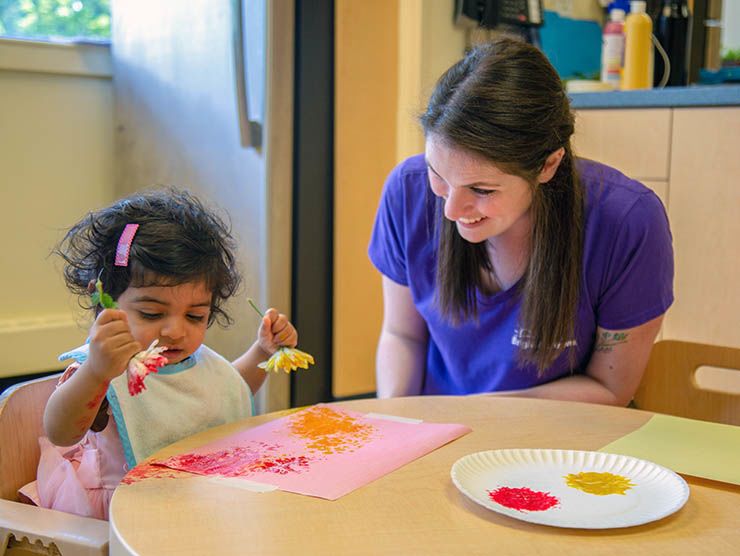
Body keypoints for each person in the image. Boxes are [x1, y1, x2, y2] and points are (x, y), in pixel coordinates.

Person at [368, 38, 673, 405]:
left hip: (560, 441)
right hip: (435, 428)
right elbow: (403, 335)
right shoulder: (408, 192)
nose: (451, 210)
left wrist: (475, 420)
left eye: (481, 189)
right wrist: (395, 421)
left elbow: (611, 388)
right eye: (438, 175)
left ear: (548, 165)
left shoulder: (627, 223)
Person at [26, 188, 298, 519]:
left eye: (195, 316)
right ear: (105, 303)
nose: (174, 331)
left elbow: (226, 388)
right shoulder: (102, 366)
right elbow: (62, 431)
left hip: (189, 502)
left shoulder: (192, 360)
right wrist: (97, 372)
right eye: (152, 314)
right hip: (117, 512)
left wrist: (262, 352)